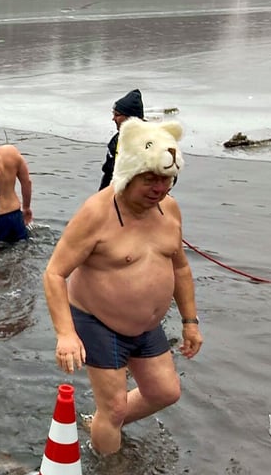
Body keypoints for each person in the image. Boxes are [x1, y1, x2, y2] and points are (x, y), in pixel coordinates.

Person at [44, 119, 202, 456]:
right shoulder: (95, 214)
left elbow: (180, 266)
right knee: (114, 408)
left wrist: (190, 321)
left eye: (166, 179)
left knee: (165, 392)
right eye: (150, 179)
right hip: (98, 321)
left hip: (146, 325)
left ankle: (100, 423)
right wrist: (66, 335)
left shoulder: (169, 210)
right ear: (128, 174)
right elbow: (55, 274)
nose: (159, 189)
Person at [99, 89, 144, 190]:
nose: (113, 119)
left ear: (131, 117)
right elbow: (108, 174)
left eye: (117, 115)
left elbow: (169, 174)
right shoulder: (116, 141)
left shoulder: (156, 139)